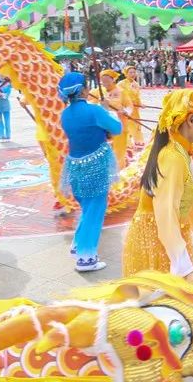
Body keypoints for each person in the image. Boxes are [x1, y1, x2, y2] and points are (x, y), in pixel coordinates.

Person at [121, 88, 193, 277]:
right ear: (191, 120)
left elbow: (191, 200)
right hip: (155, 242)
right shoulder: (173, 157)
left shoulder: (181, 152)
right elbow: (165, 212)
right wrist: (183, 267)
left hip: (168, 239)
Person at [58, 71, 122, 272]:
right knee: (95, 210)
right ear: (85, 89)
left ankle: (78, 244)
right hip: (95, 166)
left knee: (87, 208)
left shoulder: (65, 115)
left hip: (75, 166)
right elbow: (117, 128)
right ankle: (86, 258)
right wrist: (105, 110)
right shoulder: (94, 111)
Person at [99, 69, 132, 169]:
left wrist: (126, 111)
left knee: (119, 152)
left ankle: (119, 173)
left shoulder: (121, 92)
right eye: (103, 81)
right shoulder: (100, 92)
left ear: (113, 80)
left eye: (107, 80)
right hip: (106, 128)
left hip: (120, 125)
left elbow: (129, 105)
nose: (105, 83)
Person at [117, 66, 144, 147]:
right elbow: (119, 96)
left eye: (134, 72)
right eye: (130, 72)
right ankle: (127, 144)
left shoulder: (136, 84)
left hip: (135, 109)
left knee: (136, 124)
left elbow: (137, 96)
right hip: (126, 109)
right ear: (126, 74)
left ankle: (138, 141)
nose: (133, 74)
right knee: (126, 125)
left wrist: (140, 104)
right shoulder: (121, 84)